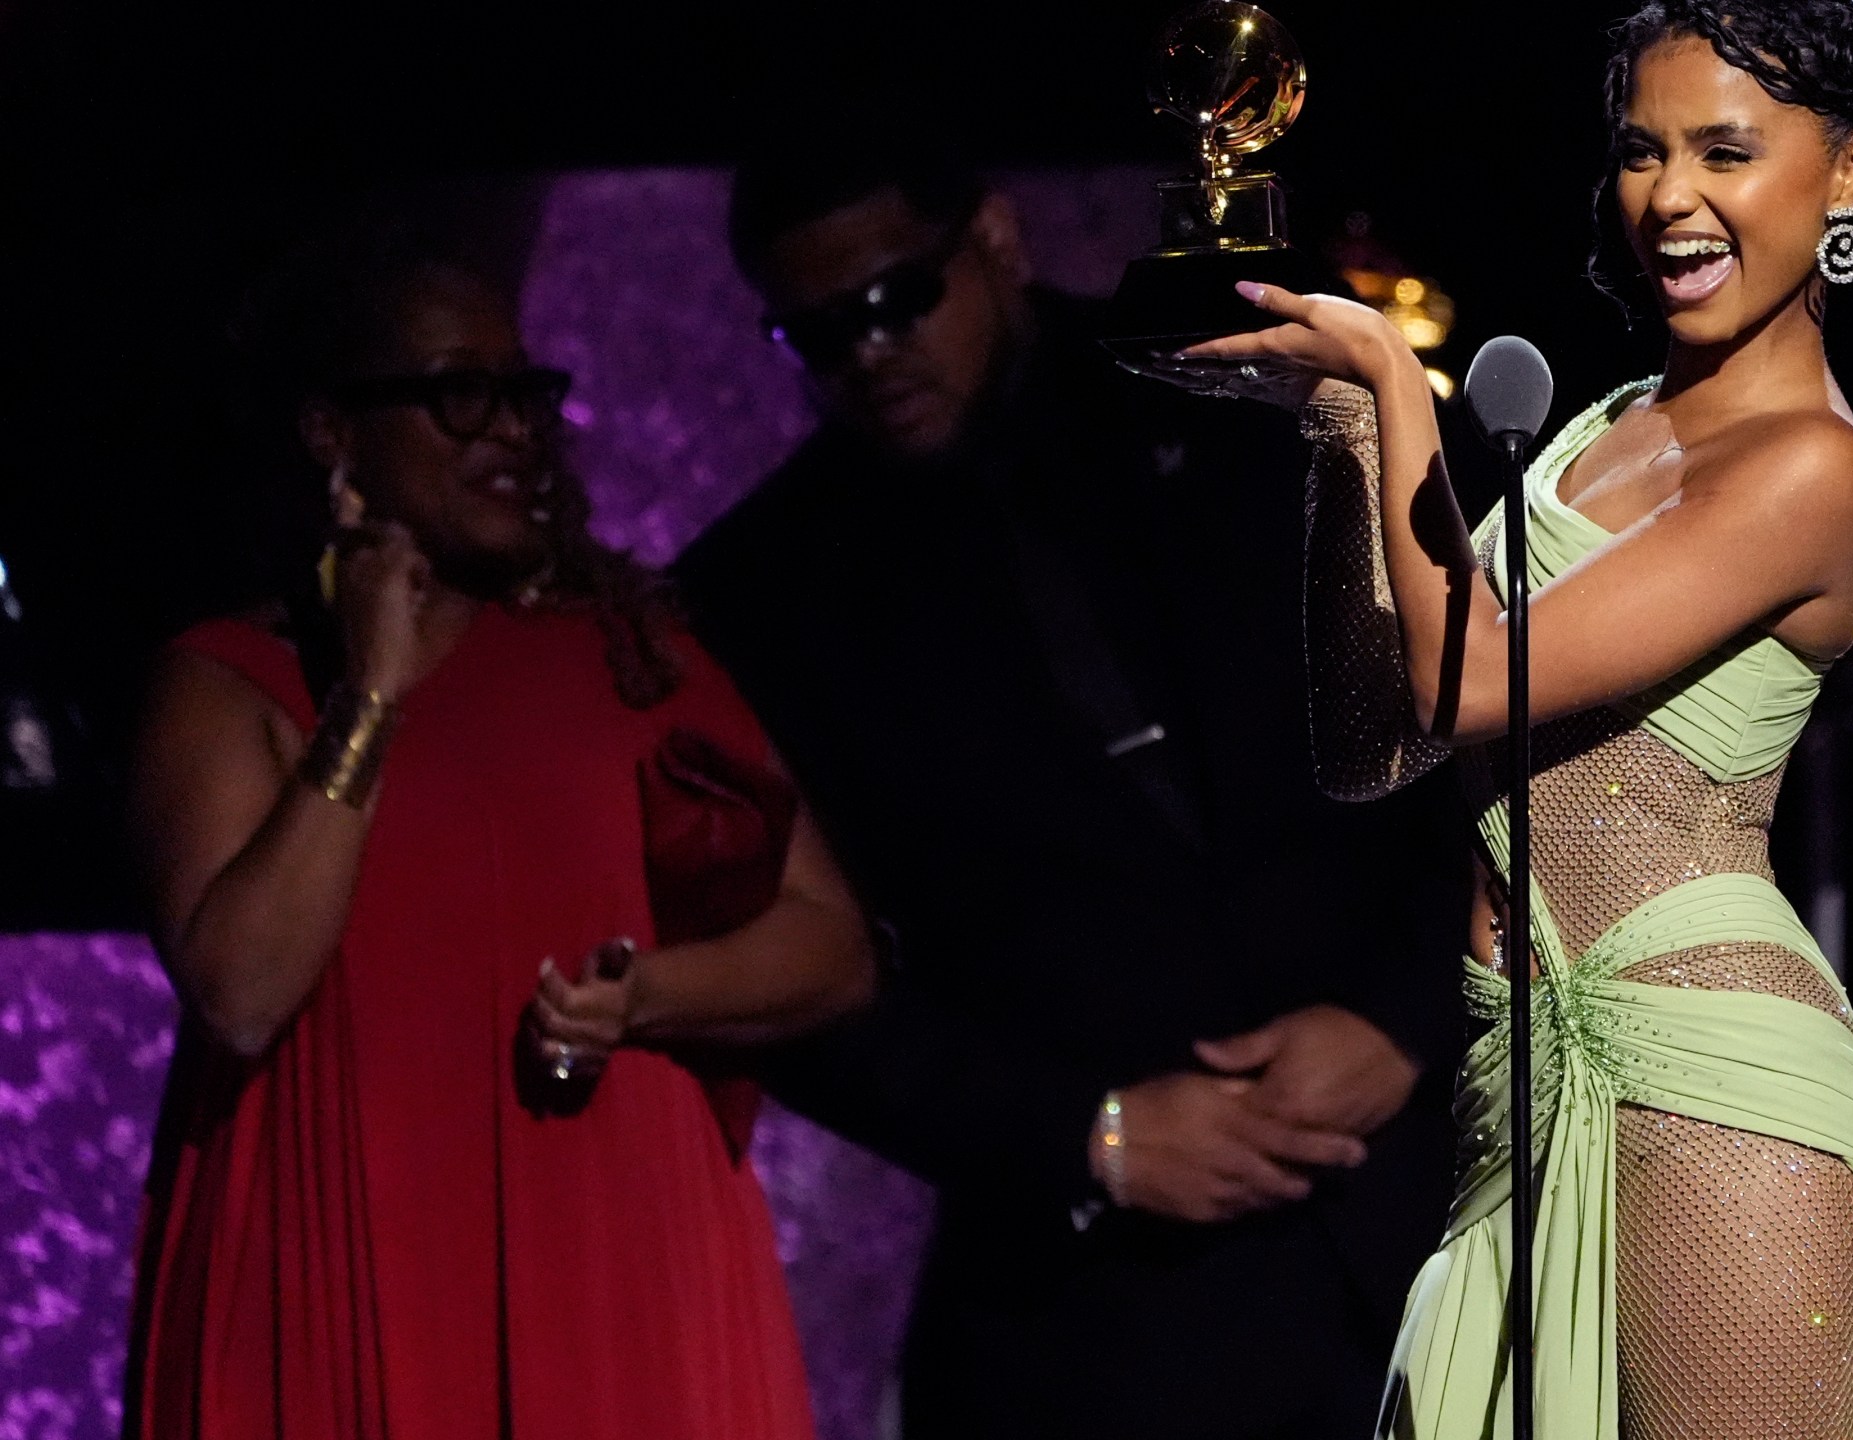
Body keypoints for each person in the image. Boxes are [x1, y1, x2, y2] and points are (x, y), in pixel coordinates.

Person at [1170, 2, 1853, 1436]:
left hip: (1712, 1095)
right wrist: (1334, 425)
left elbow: (1470, 686)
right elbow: (1378, 737)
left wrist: (1392, 383)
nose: (1672, 199)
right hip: (1526, 1087)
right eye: (1643, 151)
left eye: (1726, 152)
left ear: (1850, 169)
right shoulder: (1604, 426)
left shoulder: (1813, 469)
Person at [671, 143, 1473, 1439]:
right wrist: (1089, 1138)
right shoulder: (764, 593)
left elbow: (1509, 741)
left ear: (992, 237)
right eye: (811, 334)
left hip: (1435, 1231)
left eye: (892, 301)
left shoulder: (1257, 398)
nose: (866, 354)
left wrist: (1403, 1020)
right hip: (1091, 1326)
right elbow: (776, 979)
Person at [122, 234, 871, 1440]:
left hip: (611, 1258)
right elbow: (244, 988)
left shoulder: (628, 658)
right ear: (333, 433)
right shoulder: (232, 681)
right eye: (461, 393)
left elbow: (832, 947)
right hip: (344, 1258)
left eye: (524, 393)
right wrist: (370, 695)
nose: (512, 430)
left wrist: (644, 999)